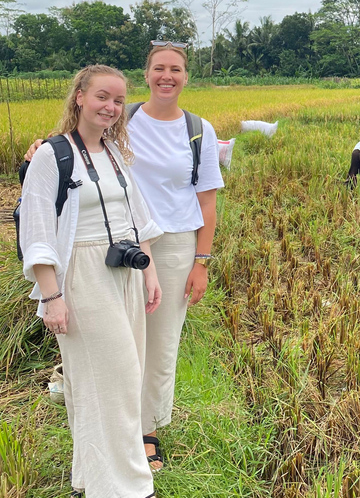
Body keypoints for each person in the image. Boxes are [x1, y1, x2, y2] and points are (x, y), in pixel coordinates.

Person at [25, 41, 225, 473]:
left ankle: (146, 430)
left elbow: (206, 199)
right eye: (158, 68)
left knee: (159, 342)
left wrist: (201, 260)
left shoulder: (198, 129)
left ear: (186, 77)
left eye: (175, 69)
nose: (166, 76)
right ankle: (106, 435)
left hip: (168, 244)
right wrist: (42, 150)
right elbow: (75, 150)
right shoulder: (123, 119)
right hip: (102, 244)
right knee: (117, 344)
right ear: (147, 73)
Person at [19, 65, 163, 497]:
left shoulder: (116, 152)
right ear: (79, 97)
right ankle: (132, 486)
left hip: (124, 274)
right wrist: (52, 296)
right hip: (81, 275)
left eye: (119, 101)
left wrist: (150, 272)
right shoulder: (52, 154)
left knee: (112, 380)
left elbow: (138, 218)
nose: (111, 107)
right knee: (112, 381)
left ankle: (95, 479)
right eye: (102, 96)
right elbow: (37, 229)